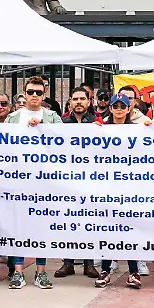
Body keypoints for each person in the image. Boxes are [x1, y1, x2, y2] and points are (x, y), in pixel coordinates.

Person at [3, 76, 61, 289]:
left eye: (38, 92)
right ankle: (18, 271)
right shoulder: (13, 118)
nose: (34, 96)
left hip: (45, 181)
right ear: (23, 93)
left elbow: (65, 141)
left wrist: (44, 127)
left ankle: (41, 271)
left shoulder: (52, 117)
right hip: (19, 179)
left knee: (42, 226)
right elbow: (2, 149)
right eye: (30, 92)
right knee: (19, 224)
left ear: (44, 94)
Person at [94, 92, 145, 289]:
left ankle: (133, 271)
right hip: (107, 187)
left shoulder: (136, 129)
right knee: (108, 229)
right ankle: (105, 269)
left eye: (122, 106)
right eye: (115, 106)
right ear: (111, 108)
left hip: (129, 187)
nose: (119, 110)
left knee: (129, 230)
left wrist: (149, 130)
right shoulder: (102, 128)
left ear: (128, 108)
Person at [54, 88, 99, 279]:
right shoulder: (61, 123)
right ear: (69, 102)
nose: (79, 102)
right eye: (75, 99)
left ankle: (89, 263)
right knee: (68, 222)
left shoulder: (98, 123)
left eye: (83, 99)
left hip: (91, 180)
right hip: (68, 179)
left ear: (89, 102)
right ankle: (68, 263)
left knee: (89, 221)